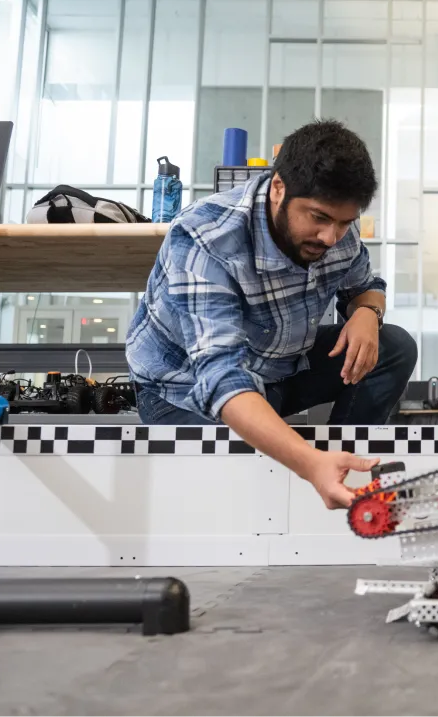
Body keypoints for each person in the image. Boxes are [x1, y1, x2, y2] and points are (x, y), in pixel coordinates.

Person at [126, 119, 417, 508]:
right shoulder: (206, 237)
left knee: (395, 345)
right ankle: (319, 468)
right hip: (183, 391)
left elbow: (366, 286)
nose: (331, 238)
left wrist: (367, 313)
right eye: (319, 218)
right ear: (278, 187)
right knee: (232, 496)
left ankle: (343, 465)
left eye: (344, 222)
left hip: (281, 367)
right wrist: (307, 463)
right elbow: (220, 378)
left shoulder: (337, 233)